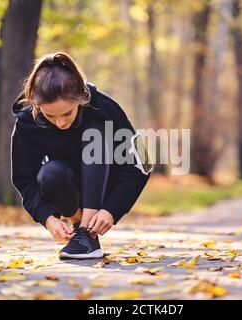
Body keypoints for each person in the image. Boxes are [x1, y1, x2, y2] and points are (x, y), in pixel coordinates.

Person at [10, 51, 151, 259]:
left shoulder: (105, 108)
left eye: (67, 113)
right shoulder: (26, 122)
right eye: (50, 115)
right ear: (36, 105)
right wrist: (48, 218)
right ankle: (80, 228)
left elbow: (141, 166)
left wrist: (111, 210)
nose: (61, 123)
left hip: (107, 184)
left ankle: (87, 234)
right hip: (66, 186)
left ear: (80, 98)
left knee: (96, 133)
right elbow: (24, 179)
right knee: (50, 172)